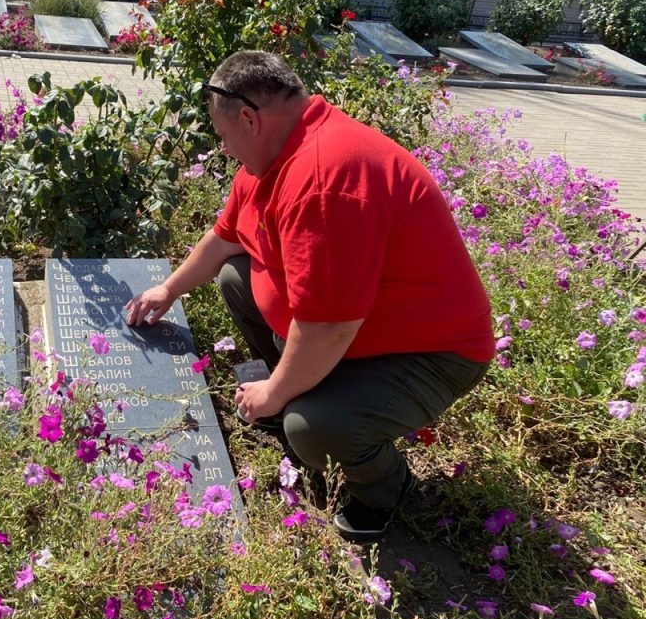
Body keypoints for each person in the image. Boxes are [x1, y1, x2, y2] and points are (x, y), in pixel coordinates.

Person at [125, 50, 494, 542]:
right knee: (237, 277)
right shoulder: (274, 157)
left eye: (223, 137)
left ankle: (386, 487)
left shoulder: (323, 180)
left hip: (429, 352)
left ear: (250, 118)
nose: (224, 149)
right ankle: (301, 385)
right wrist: (168, 289)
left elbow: (330, 326)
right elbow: (225, 238)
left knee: (311, 428)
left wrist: (274, 394)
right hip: (358, 331)